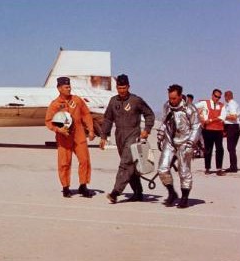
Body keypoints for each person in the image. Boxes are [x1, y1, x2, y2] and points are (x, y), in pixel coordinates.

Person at [99, 74, 155, 203]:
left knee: (125, 164)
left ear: (128, 87)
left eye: (124, 88)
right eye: (119, 88)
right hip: (119, 136)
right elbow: (108, 119)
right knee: (131, 166)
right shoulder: (113, 101)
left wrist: (147, 129)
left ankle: (115, 192)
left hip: (133, 135)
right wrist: (103, 136)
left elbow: (149, 114)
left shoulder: (136, 100)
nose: (122, 90)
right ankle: (138, 192)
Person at [45, 77, 95, 198]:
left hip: (79, 135)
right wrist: (59, 130)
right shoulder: (55, 104)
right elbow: (48, 121)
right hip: (64, 137)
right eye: (66, 87)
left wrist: (91, 129)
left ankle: (83, 185)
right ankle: (66, 187)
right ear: (59, 88)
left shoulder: (77, 100)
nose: (69, 89)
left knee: (84, 160)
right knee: (64, 163)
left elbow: (86, 114)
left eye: (69, 87)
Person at [156, 84, 201, 208]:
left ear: (180, 96)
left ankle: (184, 197)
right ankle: (171, 193)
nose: (172, 101)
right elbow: (165, 122)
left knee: (184, 171)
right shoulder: (167, 106)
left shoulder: (190, 109)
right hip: (170, 141)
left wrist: (191, 143)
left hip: (184, 143)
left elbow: (196, 126)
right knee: (162, 169)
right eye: (170, 98)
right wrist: (160, 135)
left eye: (174, 98)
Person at [196, 89, 226, 175]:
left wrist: (211, 120)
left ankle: (219, 169)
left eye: (219, 97)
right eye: (216, 96)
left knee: (220, 149)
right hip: (208, 130)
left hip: (218, 130)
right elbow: (194, 107)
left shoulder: (222, 106)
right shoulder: (205, 103)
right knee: (208, 149)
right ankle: (207, 168)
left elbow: (222, 117)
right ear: (212, 95)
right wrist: (200, 117)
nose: (217, 98)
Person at [223, 90, 240, 173]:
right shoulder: (235, 103)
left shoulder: (231, 104)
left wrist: (223, 117)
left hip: (232, 127)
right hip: (235, 127)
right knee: (232, 148)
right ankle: (233, 166)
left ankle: (233, 167)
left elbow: (233, 117)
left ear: (226, 96)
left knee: (231, 148)